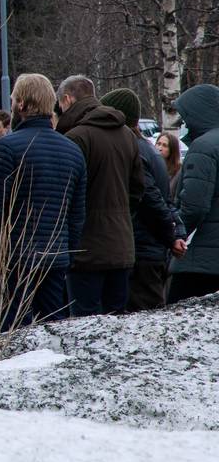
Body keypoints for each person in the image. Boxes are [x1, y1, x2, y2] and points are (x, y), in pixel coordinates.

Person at [56, 75, 171, 317]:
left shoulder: (75, 138)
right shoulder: (128, 136)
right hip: (122, 247)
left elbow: (67, 195)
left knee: (84, 327)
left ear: (67, 99)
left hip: (85, 251)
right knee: (118, 327)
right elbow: (137, 190)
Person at [0, 73, 86, 326]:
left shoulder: (7, 148)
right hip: (56, 255)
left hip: (16, 257)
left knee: (13, 331)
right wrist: (67, 250)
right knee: (55, 331)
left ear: (21, 104)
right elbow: (76, 214)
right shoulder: (72, 151)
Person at [102, 88, 185, 311]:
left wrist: (171, 235)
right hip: (152, 250)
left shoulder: (135, 151)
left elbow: (151, 199)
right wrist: (175, 233)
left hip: (142, 251)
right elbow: (165, 200)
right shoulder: (149, 151)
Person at [168, 84, 219, 302]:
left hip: (201, 261)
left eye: (185, 115)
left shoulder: (203, 147)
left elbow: (194, 205)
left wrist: (176, 234)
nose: (184, 123)